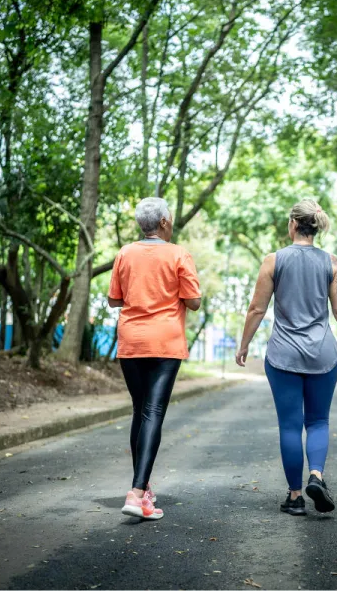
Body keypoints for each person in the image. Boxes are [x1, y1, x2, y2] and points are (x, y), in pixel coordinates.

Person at [235, 199, 337, 516]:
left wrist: (244, 344)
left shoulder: (273, 261)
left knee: (290, 426)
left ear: (293, 224)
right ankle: (316, 475)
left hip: (283, 355)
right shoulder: (331, 263)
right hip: (323, 354)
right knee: (318, 421)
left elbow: (257, 309)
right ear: (315, 226)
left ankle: (294, 497)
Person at [108, 197, 202, 521]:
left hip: (131, 341)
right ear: (163, 222)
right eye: (171, 218)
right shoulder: (178, 253)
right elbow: (193, 302)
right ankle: (136, 493)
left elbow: (113, 299)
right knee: (153, 411)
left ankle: (143, 489)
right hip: (164, 342)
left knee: (141, 410)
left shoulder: (124, 253)